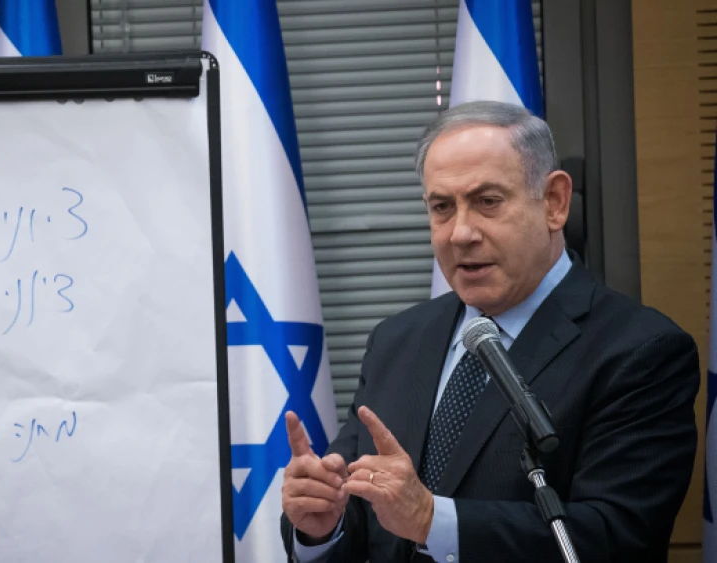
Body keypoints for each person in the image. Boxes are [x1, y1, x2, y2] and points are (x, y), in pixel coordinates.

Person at [279, 100, 700, 563]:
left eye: (487, 202)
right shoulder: (397, 340)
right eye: (442, 207)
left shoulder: (640, 350)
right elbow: (365, 510)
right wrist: (324, 525)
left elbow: (616, 538)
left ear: (555, 203)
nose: (460, 233)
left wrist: (431, 521)